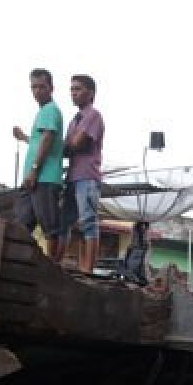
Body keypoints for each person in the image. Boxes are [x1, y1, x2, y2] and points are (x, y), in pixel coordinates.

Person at [13, 69, 65, 260]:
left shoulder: (50, 109)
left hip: (44, 177)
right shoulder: (44, 111)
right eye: (34, 87)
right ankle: (20, 261)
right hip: (33, 178)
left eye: (42, 86)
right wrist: (24, 137)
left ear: (51, 88)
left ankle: (52, 268)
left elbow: (48, 139)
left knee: (50, 227)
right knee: (22, 224)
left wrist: (34, 170)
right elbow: (39, 142)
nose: (37, 91)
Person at [60, 74, 105, 273]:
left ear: (91, 93)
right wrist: (69, 143)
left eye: (78, 89)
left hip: (87, 176)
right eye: (72, 89)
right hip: (72, 176)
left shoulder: (92, 115)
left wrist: (69, 143)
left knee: (88, 221)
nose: (73, 93)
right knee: (64, 221)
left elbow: (76, 143)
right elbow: (66, 149)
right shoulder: (74, 121)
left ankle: (88, 269)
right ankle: (58, 262)